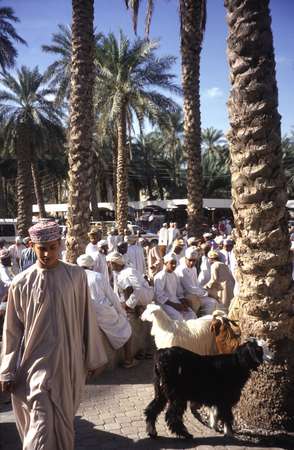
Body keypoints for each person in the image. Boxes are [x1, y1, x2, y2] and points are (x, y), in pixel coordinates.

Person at [0, 221, 107, 450]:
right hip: (34, 367)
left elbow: (87, 317)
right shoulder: (20, 283)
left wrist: (93, 357)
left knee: (63, 423)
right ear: (31, 246)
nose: (47, 253)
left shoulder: (76, 276)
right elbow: (11, 330)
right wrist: (7, 370)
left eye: (52, 247)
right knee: (41, 424)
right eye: (42, 248)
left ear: (60, 245)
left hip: (68, 365)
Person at [77, 254, 135, 369]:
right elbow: (112, 297)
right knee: (126, 329)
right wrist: (122, 313)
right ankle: (129, 360)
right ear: (91, 265)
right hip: (102, 312)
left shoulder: (75, 278)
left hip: (84, 313)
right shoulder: (97, 276)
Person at [175, 247, 221, 316]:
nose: (192, 262)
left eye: (194, 261)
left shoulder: (194, 268)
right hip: (185, 296)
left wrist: (205, 291)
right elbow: (190, 289)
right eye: (190, 260)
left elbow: (197, 285)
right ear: (185, 259)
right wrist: (207, 293)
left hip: (195, 294)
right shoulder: (182, 269)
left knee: (212, 302)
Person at [154, 253, 196, 321]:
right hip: (165, 304)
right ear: (165, 263)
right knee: (178, 318)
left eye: (175, 263)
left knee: (192, 314)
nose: (174, 265)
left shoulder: (174, 275)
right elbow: (159, 296)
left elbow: (179, 292)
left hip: (175, 301)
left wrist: (183, 302)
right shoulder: (160, 276)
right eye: (171, 263)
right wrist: (175, 305)